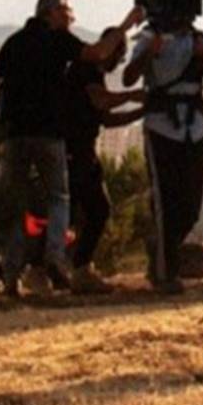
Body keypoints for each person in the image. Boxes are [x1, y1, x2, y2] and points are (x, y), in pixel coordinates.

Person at [0, 0, 144, 296]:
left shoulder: (14, 42)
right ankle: (54, 259)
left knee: (18, 205)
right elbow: (97, 58)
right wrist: (127, 24)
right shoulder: (60, 42)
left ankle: (13, 274)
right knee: (59, 199)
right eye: (68, 11)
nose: (72, 18)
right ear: (52, 12)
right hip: (51, 135)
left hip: (16, 134)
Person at [123, 10, 203, 294]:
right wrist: (149, 53)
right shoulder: (149, 38)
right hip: (161, 127)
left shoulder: (201, 40)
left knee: (191, 206)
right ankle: (165, 272)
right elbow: (129, 77)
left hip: (195, 129)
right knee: (165, 203)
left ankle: (162, 252)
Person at [61, 27, 148, 294]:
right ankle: (64, 266)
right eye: (119, 55)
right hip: (74, 149)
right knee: (85, 210)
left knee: (92, 209)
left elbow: (106, 119)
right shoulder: (86, 68)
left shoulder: (93, 72)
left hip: (83, 148)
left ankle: (74, 267)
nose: (118, 63)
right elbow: (101, 102)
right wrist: (132, 96)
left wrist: (142, 111)